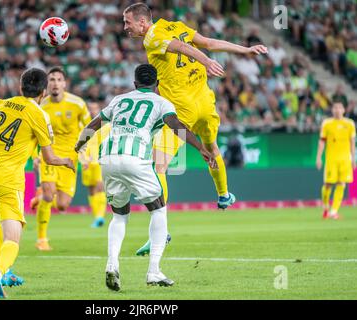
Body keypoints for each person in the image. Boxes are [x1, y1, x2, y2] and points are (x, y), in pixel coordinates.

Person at [122, 3, 268, 255]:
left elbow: (182, 47)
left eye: (128, 22)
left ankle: (160, 231)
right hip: (205, 102)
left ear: (143, 23)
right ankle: (223, 194)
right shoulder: (176, 25)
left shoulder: (152, 38)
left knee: (158, 165)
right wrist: (244, 50)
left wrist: (207, 61)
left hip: (182, 109)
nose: (125, 27)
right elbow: (208, 42)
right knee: (211, 148)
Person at [75, 64, 217, 290]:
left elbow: (94, 124)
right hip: (135, 158)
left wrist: (79, 143)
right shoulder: (162, 102)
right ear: (157, 84)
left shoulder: (119, 99)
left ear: (134, 84)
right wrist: (200, 148)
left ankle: (112, 264)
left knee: (119, 216)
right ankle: (154, 271)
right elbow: (176, 126)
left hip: (108, 158)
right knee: (159, 208)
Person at [0, 68, 74, 298]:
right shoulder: (39, 114)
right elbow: (49, 158)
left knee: (3, 222)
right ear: (43, 92)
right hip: (8, 180)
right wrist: (65, 161)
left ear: (20, 87)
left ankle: (7, 273)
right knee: (13, 238)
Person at [32, 66, 91, 251]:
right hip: (49, 155)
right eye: (51, 80)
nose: (55, 83)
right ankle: (42, 239)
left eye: (58, 79)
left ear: (64, 84)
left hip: (70, 159)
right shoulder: (41, 106)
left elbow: (89, 129)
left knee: (63, 205)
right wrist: (35, 156)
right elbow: (33, 134)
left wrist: (86, 154)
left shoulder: (78, 104)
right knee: (49, 195)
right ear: (46, 84)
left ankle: (40, 196)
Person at [316, 101, 356, 219]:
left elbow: (352, 142)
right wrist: (318, 157)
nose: (337, 110)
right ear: (332, 110)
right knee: (328, 184)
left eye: (339, 107)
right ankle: (326, 207)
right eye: (335, 108)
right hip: (331, 159)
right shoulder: (327, 123)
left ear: (344, 110)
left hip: (345, 159)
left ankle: (334, 211)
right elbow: (322, 142)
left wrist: (353, 159)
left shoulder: (350, 124)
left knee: (342, 184)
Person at [80, 102, 108, 228]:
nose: (92, 111)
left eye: (94, 108)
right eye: (90, 109)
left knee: (99, 186)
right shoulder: (83, 126)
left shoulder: (105, 126)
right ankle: (96, 216)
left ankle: (100, 216)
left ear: (99, 110)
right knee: (91, 189)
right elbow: (80, 145)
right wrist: (82, 159)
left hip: (99, 161)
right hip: (86, 163)